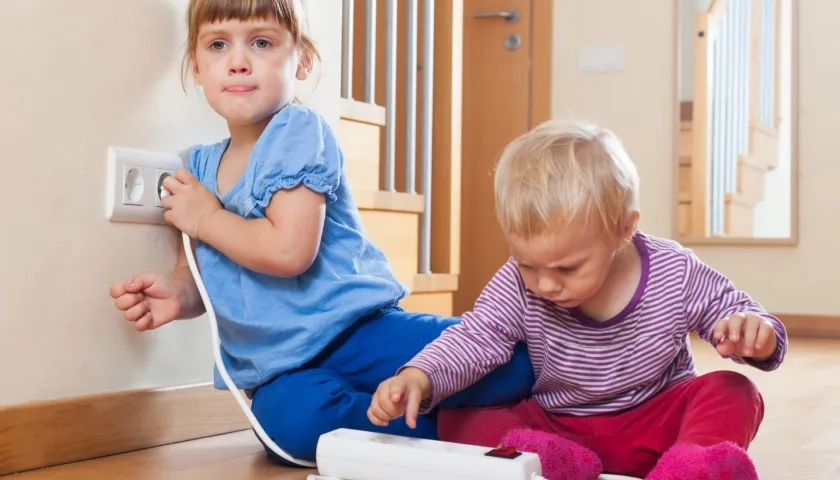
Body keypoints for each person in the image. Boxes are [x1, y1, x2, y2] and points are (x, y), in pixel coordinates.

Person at [108, 0, 535, 466]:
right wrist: (177, 294)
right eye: (217, 45)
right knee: (289, 428)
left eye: (262, 42)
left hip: (356, 331)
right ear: (196, 65)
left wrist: (207, 219)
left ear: (303, 59)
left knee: (513, 363)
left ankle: (533, 407)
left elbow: (289, 252)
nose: (238, 60)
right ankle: (469, 432)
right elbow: (206, 275)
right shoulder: (195, 169)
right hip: (283, 369)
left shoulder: (297, 131)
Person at [367, 119, 788, 480]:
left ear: (624, 230)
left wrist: (755, 333)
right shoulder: (516, 282)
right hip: (559, 431)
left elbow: (730, 309)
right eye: (528, 265)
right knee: (458, 413)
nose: (545, 285)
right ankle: (540, 461)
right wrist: (421, 375)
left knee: (735, 391)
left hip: (656, 424)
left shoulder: (673, 272)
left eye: (566, 269)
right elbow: (477, 337)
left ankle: (691, 467)